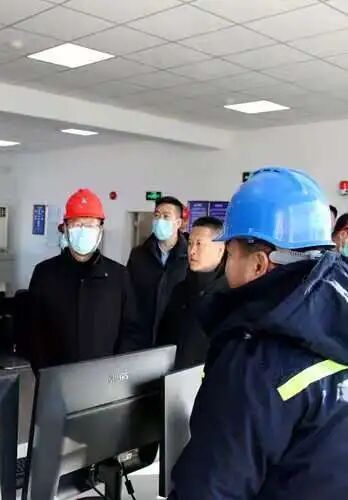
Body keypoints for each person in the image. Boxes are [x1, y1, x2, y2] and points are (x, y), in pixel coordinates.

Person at [169, 167, 348, 500]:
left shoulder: (255, 360)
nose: (226, 265)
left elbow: (210, 489)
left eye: (230, 253)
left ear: (258, 264)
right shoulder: (337, 318)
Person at [28, 189, 146, 370]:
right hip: (56, 377)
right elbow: (32, 330)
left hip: (105, 377)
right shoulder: (45, 273)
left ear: (100, 230)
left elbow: (131, 331)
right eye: (77, 224)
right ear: (65, 228)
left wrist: (116, 372)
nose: (83, 231)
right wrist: (44, 372)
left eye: (90, 225)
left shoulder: (118, 275)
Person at [156, 216, 227, 369]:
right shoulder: (180, 290)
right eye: (190, 244)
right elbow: (163, 338)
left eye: (199, 244)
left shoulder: (229, 296)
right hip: (173, 376)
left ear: (220, 250)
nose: (192, 251)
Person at [127, 196, 188, 345]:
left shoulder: (189, 257)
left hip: (174, 340)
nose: (160, 220)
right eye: (157, 215)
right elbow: (128, 295)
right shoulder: (138, 255)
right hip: (140, 338)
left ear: (178, 223)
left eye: (166, 216)